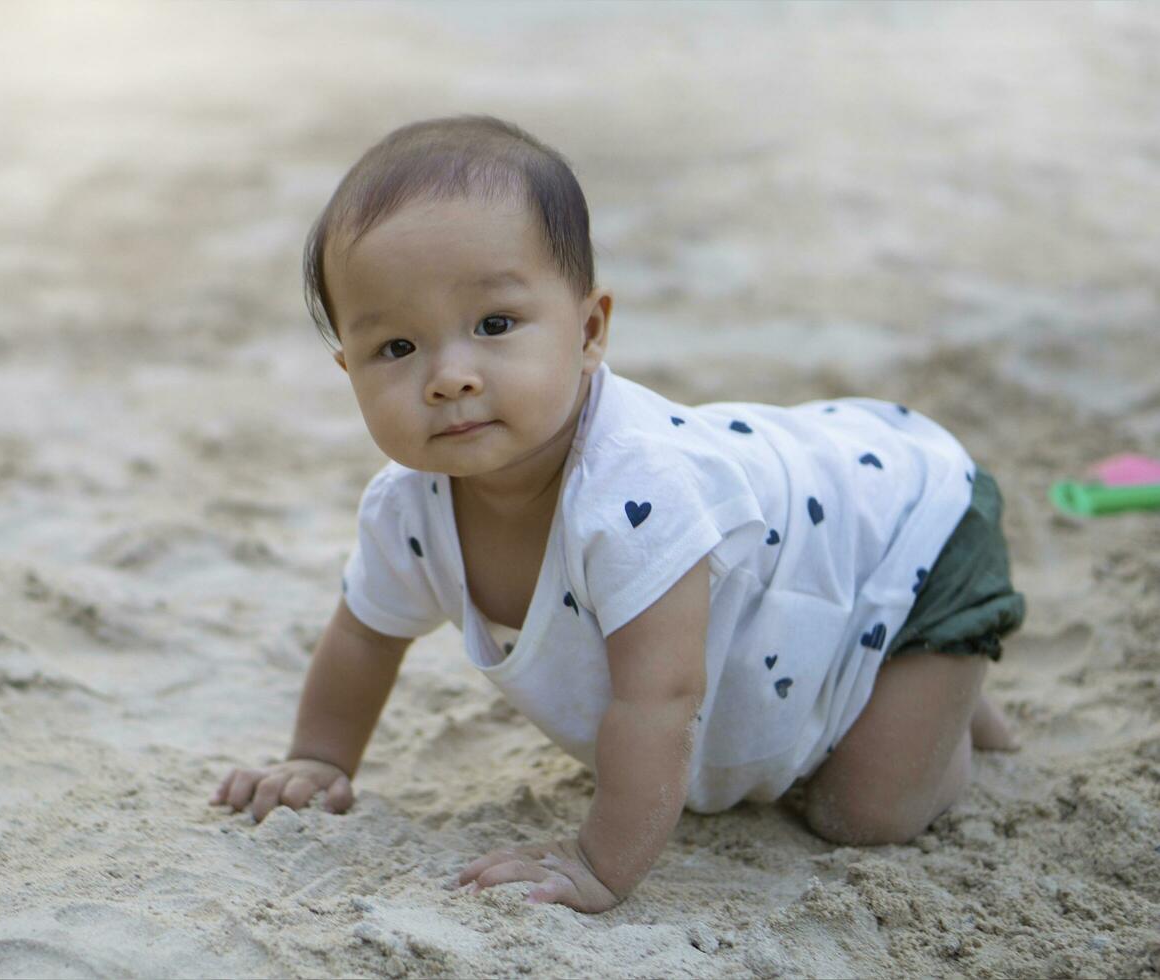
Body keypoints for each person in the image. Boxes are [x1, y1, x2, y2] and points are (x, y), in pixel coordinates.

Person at [210, 115, 1026, 913]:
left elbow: (659, 699)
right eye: (396, 348)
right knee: (856, 738)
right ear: (346, 366)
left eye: (494, 325)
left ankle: (939, 667)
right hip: (819, 562)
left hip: (906, 533)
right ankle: (917, 680)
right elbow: (363, 634)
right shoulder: (407, 506)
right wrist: (318, 759)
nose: (448, 375)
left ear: (589, 328)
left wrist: (599, 863)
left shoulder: (635, 494)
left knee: (864, 813)